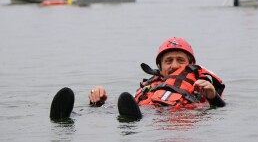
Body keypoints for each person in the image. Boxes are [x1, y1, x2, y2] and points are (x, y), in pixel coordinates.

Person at [50, 37, 226, 120]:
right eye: (168, 61)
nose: (173, 65)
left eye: (180, 60)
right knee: (103, 109)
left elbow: (220, 109)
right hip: (140, 109)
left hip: (167, 114)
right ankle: (67, 115)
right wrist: (98, 102)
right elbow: (130, 101)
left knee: (137, 114)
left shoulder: (200, 85)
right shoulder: (151, 85)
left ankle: (131, 119)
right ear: (160, 68)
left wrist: (213, 97)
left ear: (190, 64)